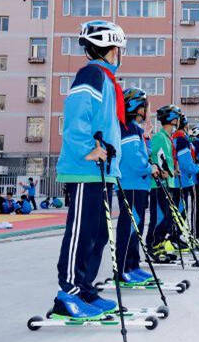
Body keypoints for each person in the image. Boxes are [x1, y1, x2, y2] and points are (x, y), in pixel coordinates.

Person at [52, 20, 126, 319]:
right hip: (86, 168)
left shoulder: (105, 79)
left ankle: (85, 289)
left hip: (103, 169)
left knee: (98, 233)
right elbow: (75, 116)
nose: (120, 53)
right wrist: (88, 149)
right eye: (118, 48)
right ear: (110, 48)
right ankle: (67, 294)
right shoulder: (92, 74)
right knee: (81, 232)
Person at [115, 88, 159, 284]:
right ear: (134, 107)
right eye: (144, 108)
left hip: (139, 185)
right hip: (131, 184)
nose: (145, 112)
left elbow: (143, 152)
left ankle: (133, 265)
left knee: (138, 225)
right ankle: (123, 268)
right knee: (130, 225)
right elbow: (135, 160)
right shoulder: (128, 128)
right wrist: (150, 168)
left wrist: (146, 140)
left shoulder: (135, 129)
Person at [145, 105, 180, 261]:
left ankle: (159, 244)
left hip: (168, 183)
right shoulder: (160, 137)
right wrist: (162, 170)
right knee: (160, 217)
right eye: (177, 118)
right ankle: (152, 246)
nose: (178, 121)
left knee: (168, 218)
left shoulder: (167, 138)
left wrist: (172, 170)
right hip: (159, 184)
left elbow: (166, 159)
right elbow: (154, 158)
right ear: (173, 119)